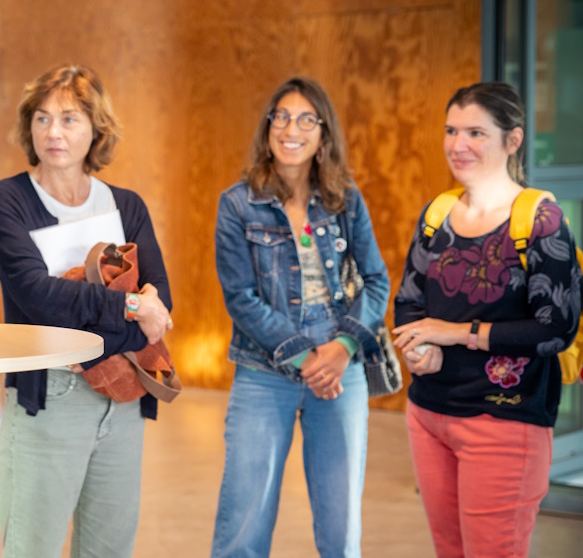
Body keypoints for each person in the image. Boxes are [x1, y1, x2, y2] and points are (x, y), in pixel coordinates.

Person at [0, 64, 172, 558]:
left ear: (96, 128)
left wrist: (90, 342)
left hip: (124, 401)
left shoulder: (126, 206)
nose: (53, 132)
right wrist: (129, 305)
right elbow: (35, 295)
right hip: (50, 398)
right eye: (42, 119)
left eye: (69, 119)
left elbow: (162, 309)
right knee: (33, 548)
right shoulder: (7, 201)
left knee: (109, 550)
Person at [392, 82, 581, 557]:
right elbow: (409, 300)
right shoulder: (437, 213)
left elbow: (555, 329)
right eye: (451, 130)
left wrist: (453, 334)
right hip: (429, 415)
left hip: (504, 422)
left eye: (476, 132)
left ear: (512, 140)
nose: (458, 145)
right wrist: (418, 346)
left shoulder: (542, 221)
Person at [211, 77, 390, 557]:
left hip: (340, 369)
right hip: (263, 371)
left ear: (322, 135)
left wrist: (342, 349)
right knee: (243, 524)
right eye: (282, 117)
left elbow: (376, 281)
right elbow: (241, 297)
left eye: (306, 119)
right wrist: (307, 358)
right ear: (269, 128)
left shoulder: (345, 199)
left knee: (341, 529)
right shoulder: (236, 204)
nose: (292, 128)